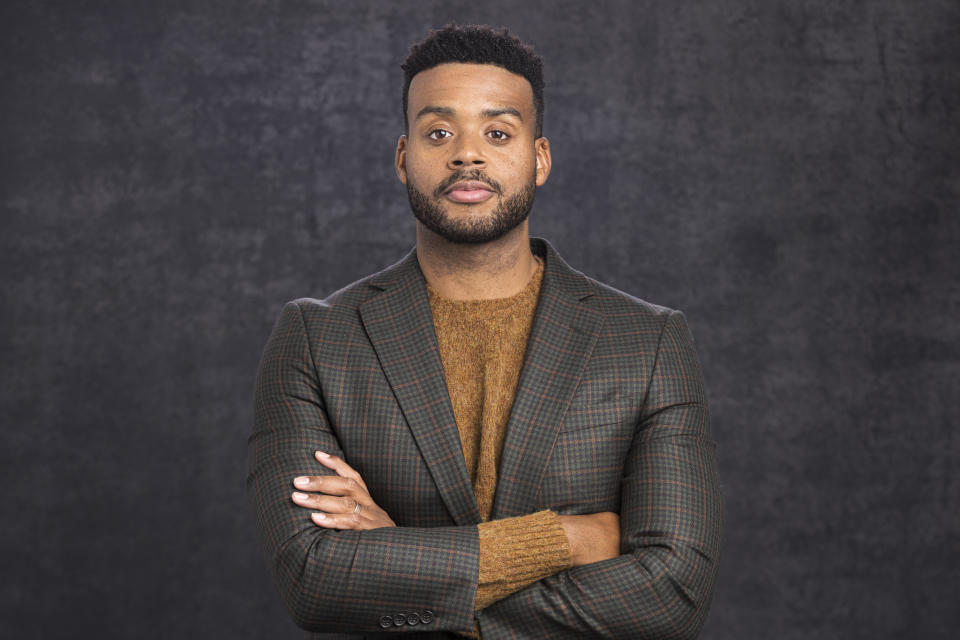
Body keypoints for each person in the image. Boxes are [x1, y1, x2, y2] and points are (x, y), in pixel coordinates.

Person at [247, 24, 722, 639]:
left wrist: (402, 555)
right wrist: (564, 539)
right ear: (402, 158)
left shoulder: (648, 342)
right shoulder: (317, 338)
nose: (467, 154)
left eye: (498, 132)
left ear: (539, 158)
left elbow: (673, 595)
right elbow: (314, 582)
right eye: (438, 132)